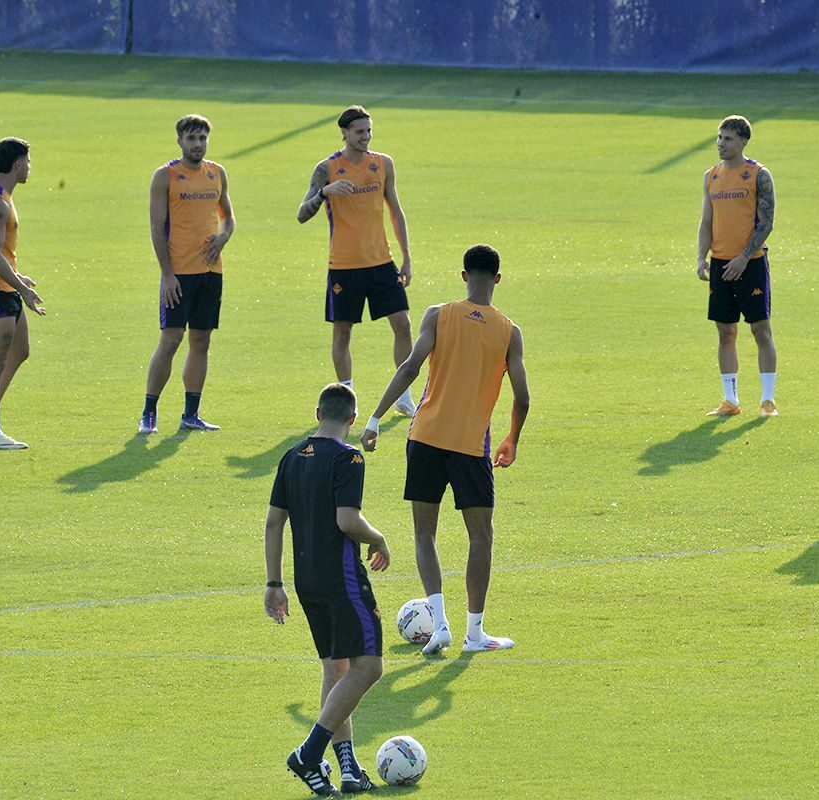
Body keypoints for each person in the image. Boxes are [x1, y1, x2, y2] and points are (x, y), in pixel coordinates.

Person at [361, 244, 530, 654]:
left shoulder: (438, 314)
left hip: (425, 438)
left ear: (463, 275)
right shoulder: (509, 332)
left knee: (425, 533)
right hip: (471, 446)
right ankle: (475, 634)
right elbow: (522, 396)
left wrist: (375, 418)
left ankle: (439, 625)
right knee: (481, 537)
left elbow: (410, 366)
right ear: (498, 279)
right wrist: (511, 439)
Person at [265, 383, 389, 797]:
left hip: (306, 581)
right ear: (353, 419)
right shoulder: (348, 457)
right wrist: (379, 537)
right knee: (369, 667)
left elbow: (273, 523)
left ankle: (349, 769)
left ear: (317, 412)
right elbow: (348, 520)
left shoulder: (290, 458)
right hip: (342, 580)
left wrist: (274, 583)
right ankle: (309, 752)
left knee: (335, 669)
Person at [297, 105, 418, 417]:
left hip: (381, 262)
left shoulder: (383, 164)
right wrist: (325, 191)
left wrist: (406, 257)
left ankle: (404, 395)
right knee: (343, 333)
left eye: (369, 131)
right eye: (359, 132)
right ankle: (347, 397)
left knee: (403, 324)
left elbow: (396, 211)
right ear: (345, 134)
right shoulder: (327, 169)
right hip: (344, 266)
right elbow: (302, 214)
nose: (365, 137)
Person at [139, 114, 234, 434]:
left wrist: (223, 237)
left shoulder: (217, 173)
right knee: (171, 339)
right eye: (191, 139)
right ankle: (149, 412)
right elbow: (155, 228)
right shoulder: (165, 177)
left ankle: (190, 414)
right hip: (179, 274)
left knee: (201, 340)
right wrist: (167, 275)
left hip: (210, 271)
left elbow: (229, 218)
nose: (197, 145)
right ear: (179, 141)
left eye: (203, 138)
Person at [696, 115, 779, 418]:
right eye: (719, 137)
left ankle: (767, 400)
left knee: (760, 330)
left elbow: (766, 222)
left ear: (743, 142)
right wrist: (701, 257)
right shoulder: (711, 176)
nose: (721, 143)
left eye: (728, 138)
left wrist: (744, 256)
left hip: (752, 263)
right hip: (720, 264)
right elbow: (707, 221)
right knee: (725, 333)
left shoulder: (758, 175)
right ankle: (730, 400)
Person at [0, 137, 45, 450]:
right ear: (17, 164)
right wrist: (22, 289)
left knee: (20, 351)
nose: (29, 166)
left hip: (3, 286)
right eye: (27, 161)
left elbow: (1, 253)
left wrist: (17, 277)